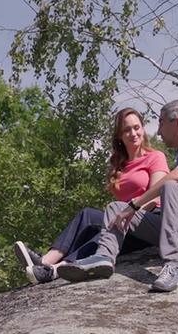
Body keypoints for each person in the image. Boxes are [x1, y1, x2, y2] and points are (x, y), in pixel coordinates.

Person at [57, 99, 178, 293]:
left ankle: (174, 264)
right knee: (116, 208)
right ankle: (103, 257)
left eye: (161, 123)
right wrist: (128, 209)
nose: (158, 131)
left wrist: (135, 205)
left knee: (170, 186)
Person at [12, 107, 167, 284]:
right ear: (119, 135)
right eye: (127, 130)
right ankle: (45, 261)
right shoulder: (119, 165)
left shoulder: (155, 157)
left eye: (136, 127)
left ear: (143, 129)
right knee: (87, 215)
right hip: (124, 218)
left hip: (147, 221)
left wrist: (127, 216)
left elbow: (155, 196)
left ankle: (54, 271)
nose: (133, 133)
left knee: (105, 233)